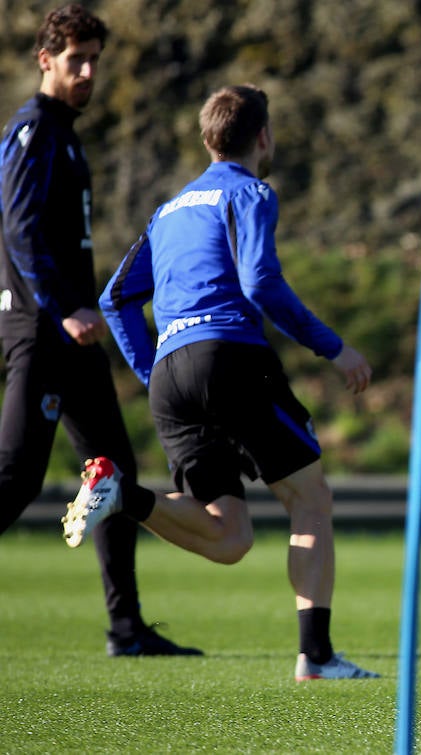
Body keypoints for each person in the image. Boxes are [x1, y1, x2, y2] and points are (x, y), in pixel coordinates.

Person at [66, 84, 379, 681]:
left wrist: (159, 368)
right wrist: (334, 348)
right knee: (309, 499)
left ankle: (122, 496)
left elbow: (116, 299)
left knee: (229, 537)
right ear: (263, 137)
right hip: (230, 359)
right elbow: (260, 283)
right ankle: (316, 657)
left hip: (171, 374)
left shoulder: (168, 210)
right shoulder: (251, 191)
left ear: (208, 138)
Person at [0, 4, 200, 658]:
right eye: (74, 60)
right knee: (17, 475)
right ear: (44, 60)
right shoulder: (32, 132)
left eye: (94, 61)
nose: (86, 72)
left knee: (113, 468)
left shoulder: (66, 134)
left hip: (74, 335)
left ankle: (127, 627)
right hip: (42, 327)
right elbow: (21, 231)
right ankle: (126, 626)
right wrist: (62, 306)